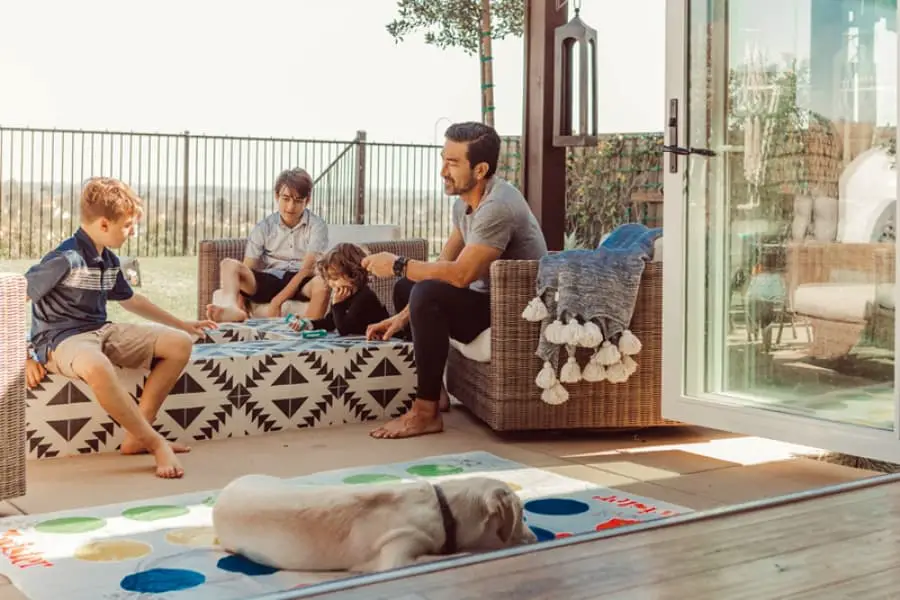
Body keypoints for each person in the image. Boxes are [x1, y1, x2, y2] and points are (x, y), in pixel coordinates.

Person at [362, 121, 549, 439]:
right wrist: (401, 316)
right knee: (408, 287)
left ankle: (426, 413)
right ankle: (434, 390)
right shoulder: (462, 205)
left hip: (515, 309)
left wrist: (397, 263)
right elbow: (444, 262)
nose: (442, 171)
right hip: (485, 298)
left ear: (480, 170)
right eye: (443, 159)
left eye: (452, 163)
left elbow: (461, 275)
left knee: (424, 290)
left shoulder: (498, 207)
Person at [23, 177, 217, 478]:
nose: (132, 232)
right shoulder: (64, 259)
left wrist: (182, 324)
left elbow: (132, 300)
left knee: (179, 344)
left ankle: (137, 436)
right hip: (61, 340)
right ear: (103, 224)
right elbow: (9, 300)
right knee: (98, 366)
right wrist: (21, 356)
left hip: (101, 330)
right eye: (127, 225)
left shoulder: (109, 260)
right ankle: (155, 444)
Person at [206, 167, 330, 323]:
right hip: (271, 277)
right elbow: (247, 268)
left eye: (298, 201)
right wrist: (241, 301)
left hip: (301, 279)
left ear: (308, 200)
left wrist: (277, 302)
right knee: (228, 264)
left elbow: (306, 270)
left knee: (322, 284)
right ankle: (231, 309)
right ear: (277, 196)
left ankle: (308, 330)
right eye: (286, 199)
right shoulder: (264, 227)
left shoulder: (317, 226)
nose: (291, 207)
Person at [289, 243, 389, 336]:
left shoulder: (364, 297)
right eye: (328, 278)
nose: (331, 283)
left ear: (353, 274)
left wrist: (337, 304)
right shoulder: (345, 295)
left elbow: (344, 330)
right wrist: (308, 324)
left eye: (335, 278)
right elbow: (330, 322)